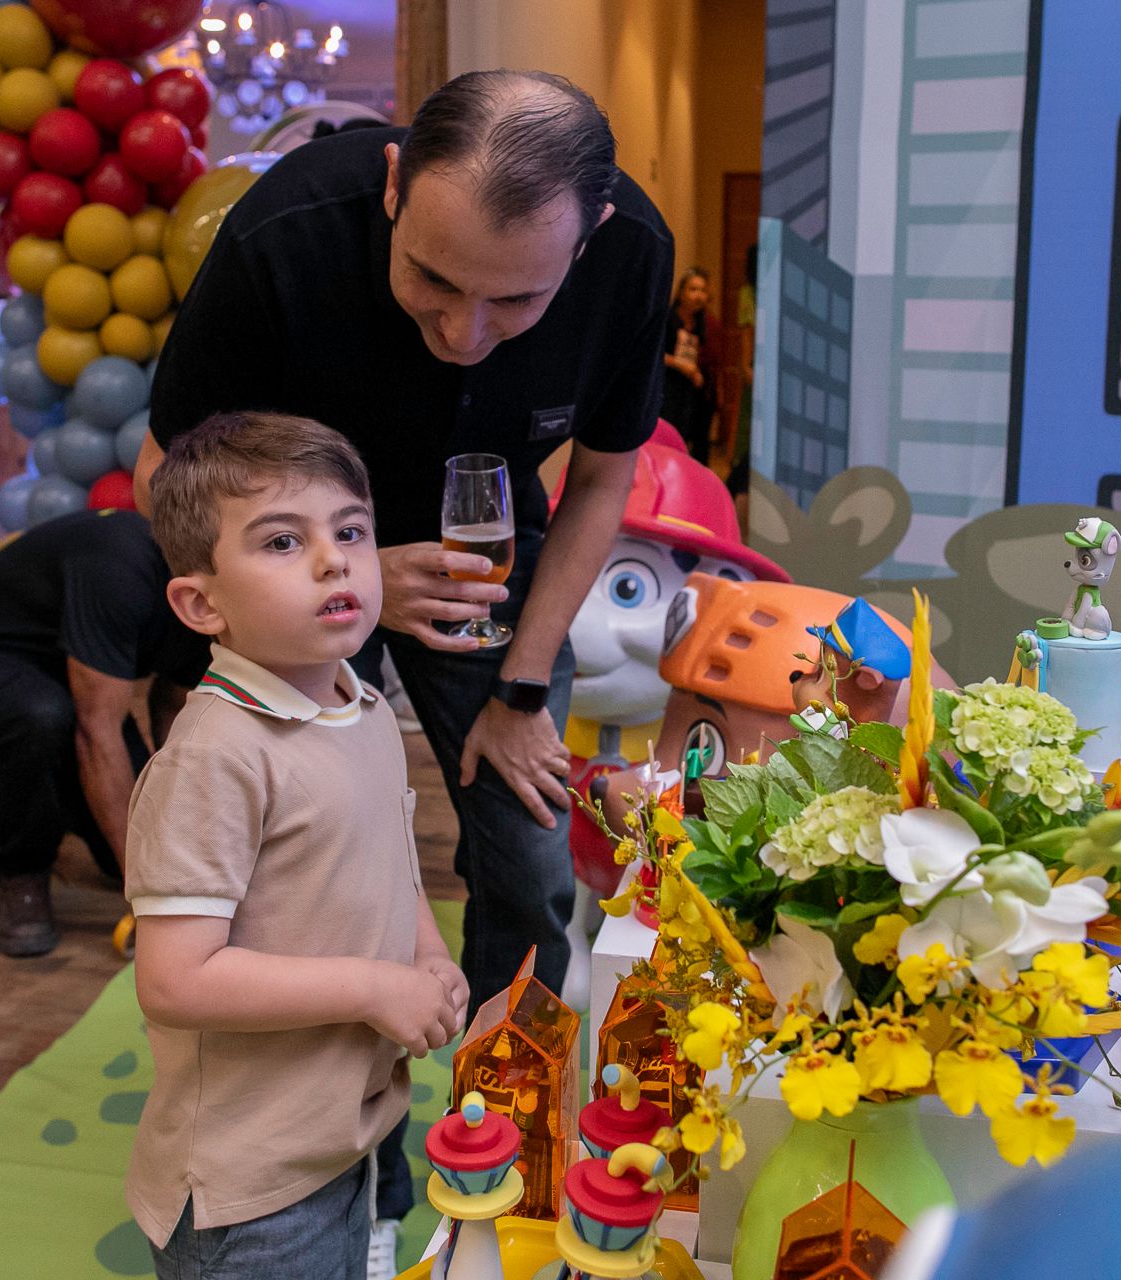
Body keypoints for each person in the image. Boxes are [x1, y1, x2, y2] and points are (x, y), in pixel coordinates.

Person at [134, 70, 670, 1019]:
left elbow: (599, 482)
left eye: (515, 301)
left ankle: (504, 1090)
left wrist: (521, 690)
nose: (464, 334)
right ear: (393, 184)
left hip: (485, 567)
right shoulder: (284, 231)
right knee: (304, 860)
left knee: (530, 860)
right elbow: (162, 476)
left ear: (588, 238)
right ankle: (324, 1079)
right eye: (433, 279)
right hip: (302, 560)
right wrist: (359, 571)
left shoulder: (633, 255)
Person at [124, 412, 464, 1279]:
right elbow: (174, 978)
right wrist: (373, 986)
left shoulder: (362, 707)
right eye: (282, 542)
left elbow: (388, 860)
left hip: (340, 1139)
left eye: (350, 531)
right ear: (202, 604)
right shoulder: (215, 757)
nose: (333, 561)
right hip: (248, 1186)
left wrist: (426, 955)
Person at [0, 508, 209, 956]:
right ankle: (20, 871)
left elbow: (173, 710)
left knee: (134, 849)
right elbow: (98, 733)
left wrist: (175, 838)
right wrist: (148, 898)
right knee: (39, 716)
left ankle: (59, 803)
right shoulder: (119, 568)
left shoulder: (215, 602)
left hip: (68, 677)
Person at [660, 266, 716, 464]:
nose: (698, 295)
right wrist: (681, 365)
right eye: (693, 289)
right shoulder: (668, 318)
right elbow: (654, 354)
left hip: (689, 389)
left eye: (702, 290)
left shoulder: (702, 322)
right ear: (681, 292)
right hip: (667, 386)